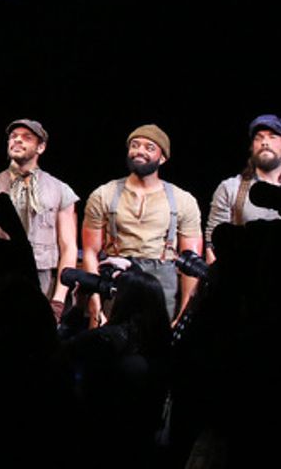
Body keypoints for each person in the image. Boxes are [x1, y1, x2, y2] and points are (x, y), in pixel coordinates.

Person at [81, 124, 202, 325]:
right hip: (117, 279)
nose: (139, 151)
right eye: (135, 145)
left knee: (156, 350)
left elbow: (192, 263)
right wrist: (95, 304)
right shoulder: (104, 194)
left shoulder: (183, 200)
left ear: (162, 158)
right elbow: (90, 252)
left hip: (162, 282)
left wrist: (183, 316)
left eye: (149, 147)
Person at [0, 119, 78, 307]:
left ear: (40, 147)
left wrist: (59, 299)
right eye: (13, 137)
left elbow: (68, 247)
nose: (17, 140)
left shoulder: (60, 190)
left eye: (26, 137)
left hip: (41, 279)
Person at [204, 114, 281, 262]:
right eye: (259, 138)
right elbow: (212, 243)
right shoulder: (231, 188)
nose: (264, 142)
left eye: (272, 137)